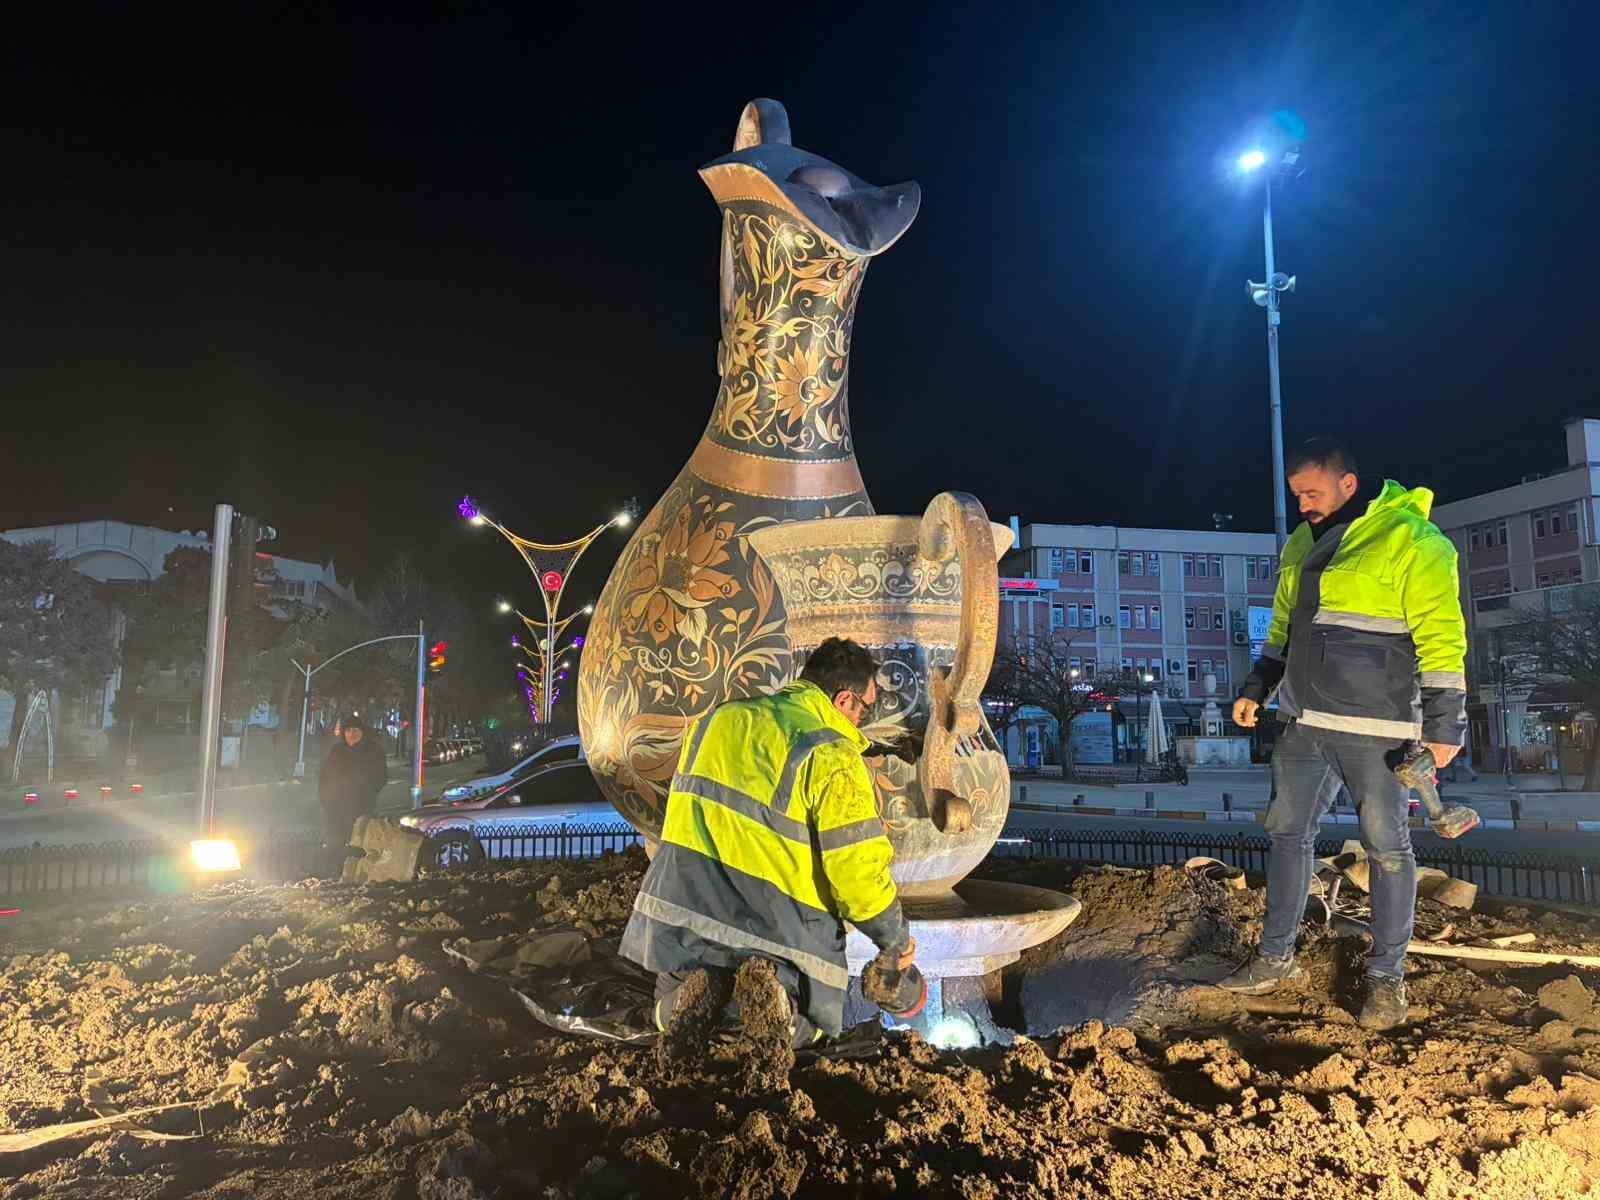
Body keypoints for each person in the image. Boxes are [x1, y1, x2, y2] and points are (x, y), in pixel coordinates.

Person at [1223, 437, 1467, 1031]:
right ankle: (1274, 957)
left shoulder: (1414, 541)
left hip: (1378, 728)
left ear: (1348, 484)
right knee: (1287, 835)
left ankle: (1386, 981)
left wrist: (1444, 725)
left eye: (1312, 491)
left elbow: (1442, 633)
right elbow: (1284, 626)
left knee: (1388, 851)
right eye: (1296, 494)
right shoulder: (1301, 544)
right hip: (1303, 722)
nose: (1302, 503)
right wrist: (1258, 685)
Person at [619, 637, 915, 1059]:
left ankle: (690, 998)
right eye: (865, 707)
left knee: (666, 1009)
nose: (863, 719)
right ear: (845, 699)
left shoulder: (718, 721)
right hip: (774, 931)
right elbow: (857, 876)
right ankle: (772, 1007)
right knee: (806, 1030)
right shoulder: (830, 752)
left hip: (684, 915)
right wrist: (895, 939)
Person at [318, 715, 389, 851]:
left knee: (358, 847)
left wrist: (366, 792)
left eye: (355, 730)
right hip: (336, 810)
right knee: (335, 847)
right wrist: (326, 798)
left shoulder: (373, 751)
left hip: (361, 808)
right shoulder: (337, 750)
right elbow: (324, 777)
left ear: (362, 732)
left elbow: (381, 777)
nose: (352, 734)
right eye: (348, 731)